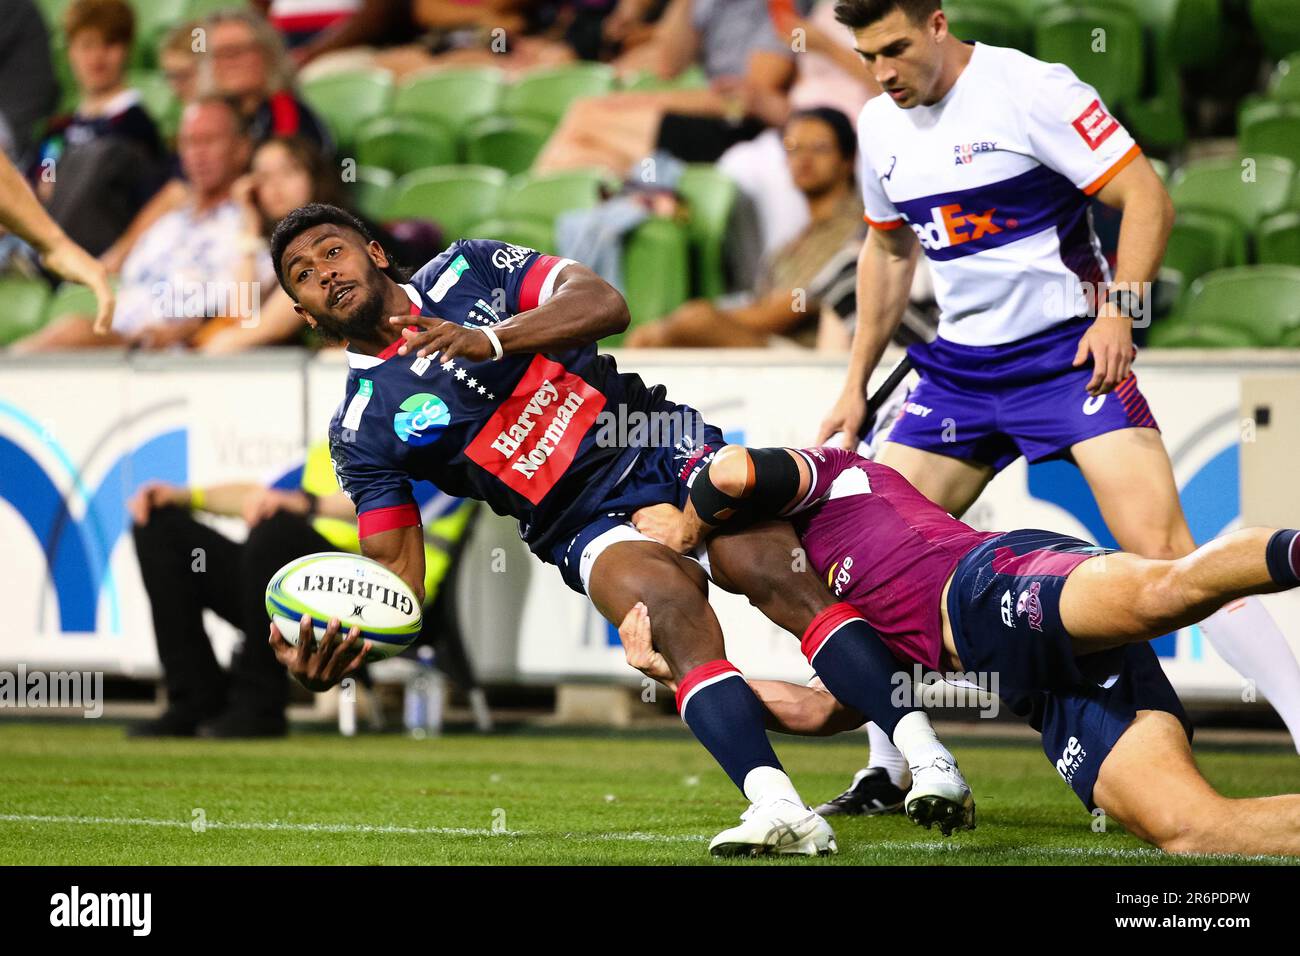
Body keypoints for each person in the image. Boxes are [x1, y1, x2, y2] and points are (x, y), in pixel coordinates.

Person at [263, 201, 976, 856]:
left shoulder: (468, 268)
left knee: (765, 570)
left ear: (377, 253)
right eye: (303, 275)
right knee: (667, 612)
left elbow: (605, 303)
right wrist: (345, 642)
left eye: (332, 252)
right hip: (576, 519)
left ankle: (930, 761)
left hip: (658, 443)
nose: (324, 273)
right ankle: (779, 807)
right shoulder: (360, 430)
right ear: (304, 313)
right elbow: (398, 582)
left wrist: (491, 338)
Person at [812, 0, 1300, 816]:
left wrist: (1121, 311)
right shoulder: (878, 124)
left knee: (1171, 554)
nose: (885, 72)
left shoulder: (1032, 88)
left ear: (938, 23)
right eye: (868, 57)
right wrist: (854, 382)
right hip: (958, 374)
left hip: (1065, 358)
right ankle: (897, 766)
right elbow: (889, 248)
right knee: (865, 564)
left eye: (896, 49)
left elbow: (1148, 198)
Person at [618, 442, 1300, 856]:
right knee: (1188, 827)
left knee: (1164, 589)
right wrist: (684, 675)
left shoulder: (828, 480)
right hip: (1046, 691)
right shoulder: (836, 615)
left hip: (990, 583)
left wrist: (681, 529)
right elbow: (813, 712)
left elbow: (732, 472)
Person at [127, 440, 474, 737]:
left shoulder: (442, 448)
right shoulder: (341, 444)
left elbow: (403, 502)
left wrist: (306, 505)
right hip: (303, 598)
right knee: (159, 527)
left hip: (383, 607)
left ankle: (258, 706)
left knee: (279, 530)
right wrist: (185, 496)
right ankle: (194, 698)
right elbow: (262, 497)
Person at [12, 96, 269, 352]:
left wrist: (188, 331)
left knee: (72, 332)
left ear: (242, 148)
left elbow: (247, 312)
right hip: (123, 346)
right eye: (189, 142)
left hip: (179, 353)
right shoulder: (167, 221)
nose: (197, 153)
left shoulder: (251, 223)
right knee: (70, 327)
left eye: (209, 141)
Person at [627, 107, 862, 348]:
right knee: (649, 335)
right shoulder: (795, 239)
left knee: (693, 324)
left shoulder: (856, 229)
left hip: (811, 354)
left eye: (819, 148)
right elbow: (761, 302)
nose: (804, 159)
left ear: (848, 158)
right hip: (773, 345)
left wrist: (697, 320)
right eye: (793, 148)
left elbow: (794, 308)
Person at [33, 0, 167, 258]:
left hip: (94, 250)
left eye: (109, 44)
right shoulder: (59, 129)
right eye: (87, 45)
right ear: (70, 51)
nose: (97, 57)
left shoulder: (135, 125)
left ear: (127, 49)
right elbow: (40, 177)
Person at [0, 151, 114, 331]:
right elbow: (45, 175)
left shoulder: (64, 139)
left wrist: (55, 244)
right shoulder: (54, 137)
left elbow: (46, 181)